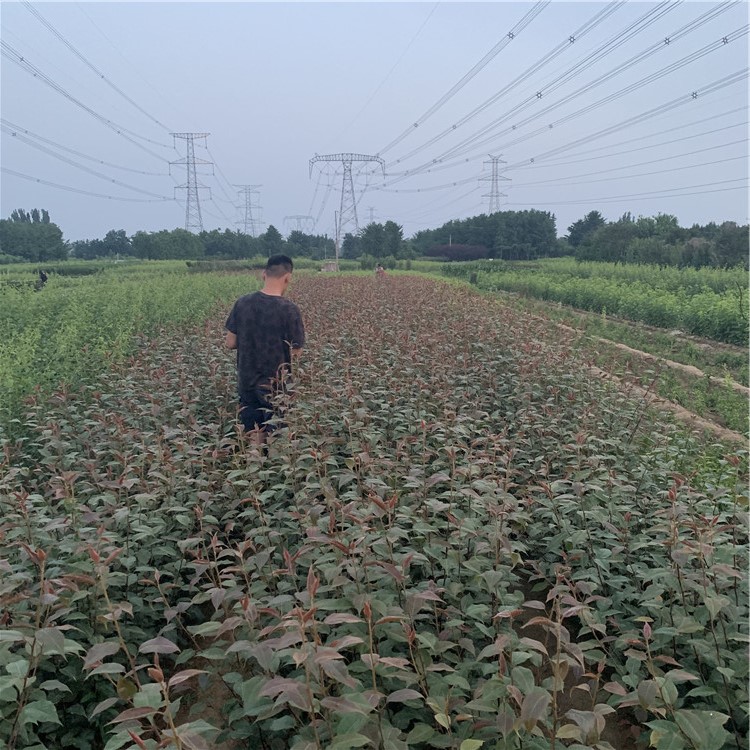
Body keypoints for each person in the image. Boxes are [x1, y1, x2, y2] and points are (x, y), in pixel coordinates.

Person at [224, 255, 305, 442]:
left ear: (263, 275)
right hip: (276, 385)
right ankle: (274, 466)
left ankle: (255, 464)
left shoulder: (242, 303)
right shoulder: (289, 309)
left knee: (253, 433)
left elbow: (230, 343)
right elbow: (296, 352)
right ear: (288, 278)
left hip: (247, 380)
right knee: (277, 433)